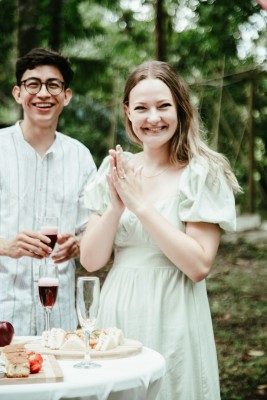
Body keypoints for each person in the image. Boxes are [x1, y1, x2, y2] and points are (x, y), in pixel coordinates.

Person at [80, 60, 240, 400]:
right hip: (118, 310)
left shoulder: (202, 172)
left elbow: (198, 265)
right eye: (141, 108)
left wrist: (140, 205)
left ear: (180, 109)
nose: (153, 118)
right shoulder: (114, 167)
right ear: (128, 112)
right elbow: (92, 261)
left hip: (174, 311)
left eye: (163, 106)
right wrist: (115, 207)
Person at [0, 48, 97, 336]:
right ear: (18, 93)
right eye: (33, 84)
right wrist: (6, 246)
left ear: (66, 96)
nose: (43, 93)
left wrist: (78, 244)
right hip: (3, 312)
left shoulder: (80, 157)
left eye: (53, 84)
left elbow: (92, 228)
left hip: (60, 319)